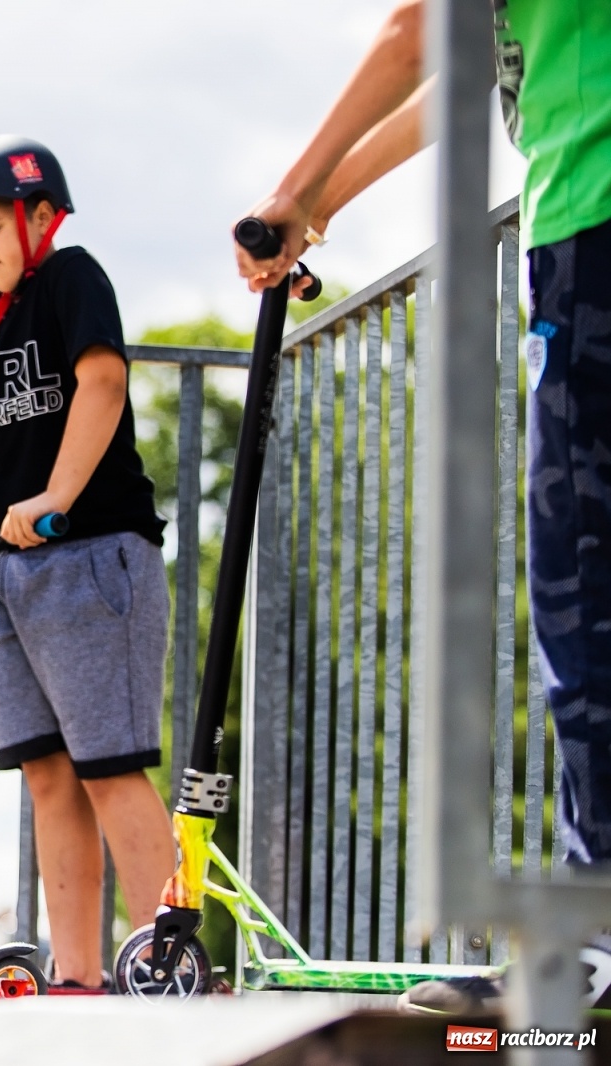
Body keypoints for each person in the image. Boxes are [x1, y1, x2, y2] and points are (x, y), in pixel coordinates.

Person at [231, 0, 611, 1015]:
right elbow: (467, 70)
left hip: (593, 231)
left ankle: (597, 926)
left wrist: (292, 187)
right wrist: (319, 202)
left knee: (586, 592)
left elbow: (418, 33)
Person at [0, 132, 176, 993]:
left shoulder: (72, 278)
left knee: (110, 769)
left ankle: (171, 965)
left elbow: (103, 383)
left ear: (42, 215)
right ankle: (81, 976)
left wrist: (56, 495)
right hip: (8, 568)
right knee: (48, 776)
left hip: (91, 553)